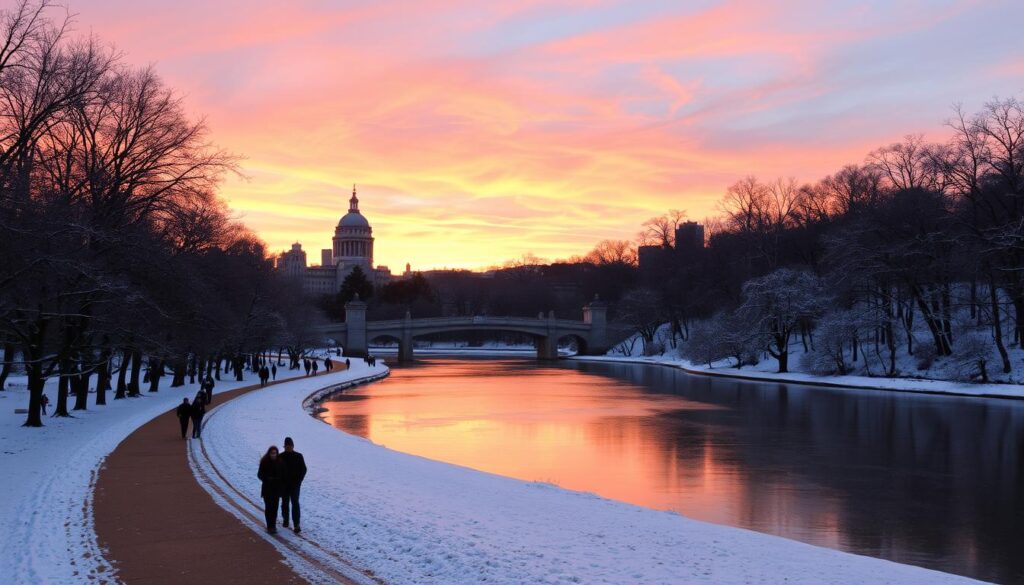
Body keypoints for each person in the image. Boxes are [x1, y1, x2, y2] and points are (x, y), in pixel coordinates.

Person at [279, 437, 307, 533]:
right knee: (285, 503)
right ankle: (285, 520)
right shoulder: (280, 457)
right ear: (284, 446)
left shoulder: (299, 456)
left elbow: (303, 469)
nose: (289, 448)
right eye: (287, 446)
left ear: (293, 446)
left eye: (290, 446)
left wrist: (299, 480)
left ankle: (296, 524)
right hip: (284, 486)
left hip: (295, 485)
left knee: (295, 503)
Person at [257, 446, 285, 534]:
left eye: (275, 453)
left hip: (276, 489)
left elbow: (284, 474)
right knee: (269, 508)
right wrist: (267, 479)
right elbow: (260, 474)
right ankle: (269, 526)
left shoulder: (280, 463)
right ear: (269, 453)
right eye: (272, 453)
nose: (273, 455)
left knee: (275, 508)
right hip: (267, 489)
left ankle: (273, 525)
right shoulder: (264, 462)